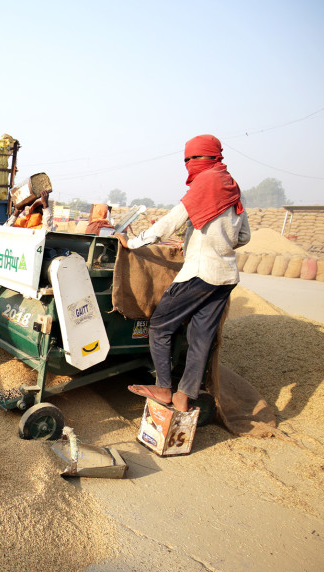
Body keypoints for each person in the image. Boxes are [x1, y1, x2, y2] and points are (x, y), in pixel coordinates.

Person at [115, 134, 250, 413]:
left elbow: (171, 221)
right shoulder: (230, 186)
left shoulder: (207, 182)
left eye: (192, 158)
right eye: (187, 159)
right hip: (225, 276)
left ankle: (164, 387)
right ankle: (184, 396)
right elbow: (244, 236)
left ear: (208, 158)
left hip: (200, 273)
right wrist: (202, 240)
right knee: (202, 337)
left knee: (161, 325)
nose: (190, 164)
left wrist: (134, 242)